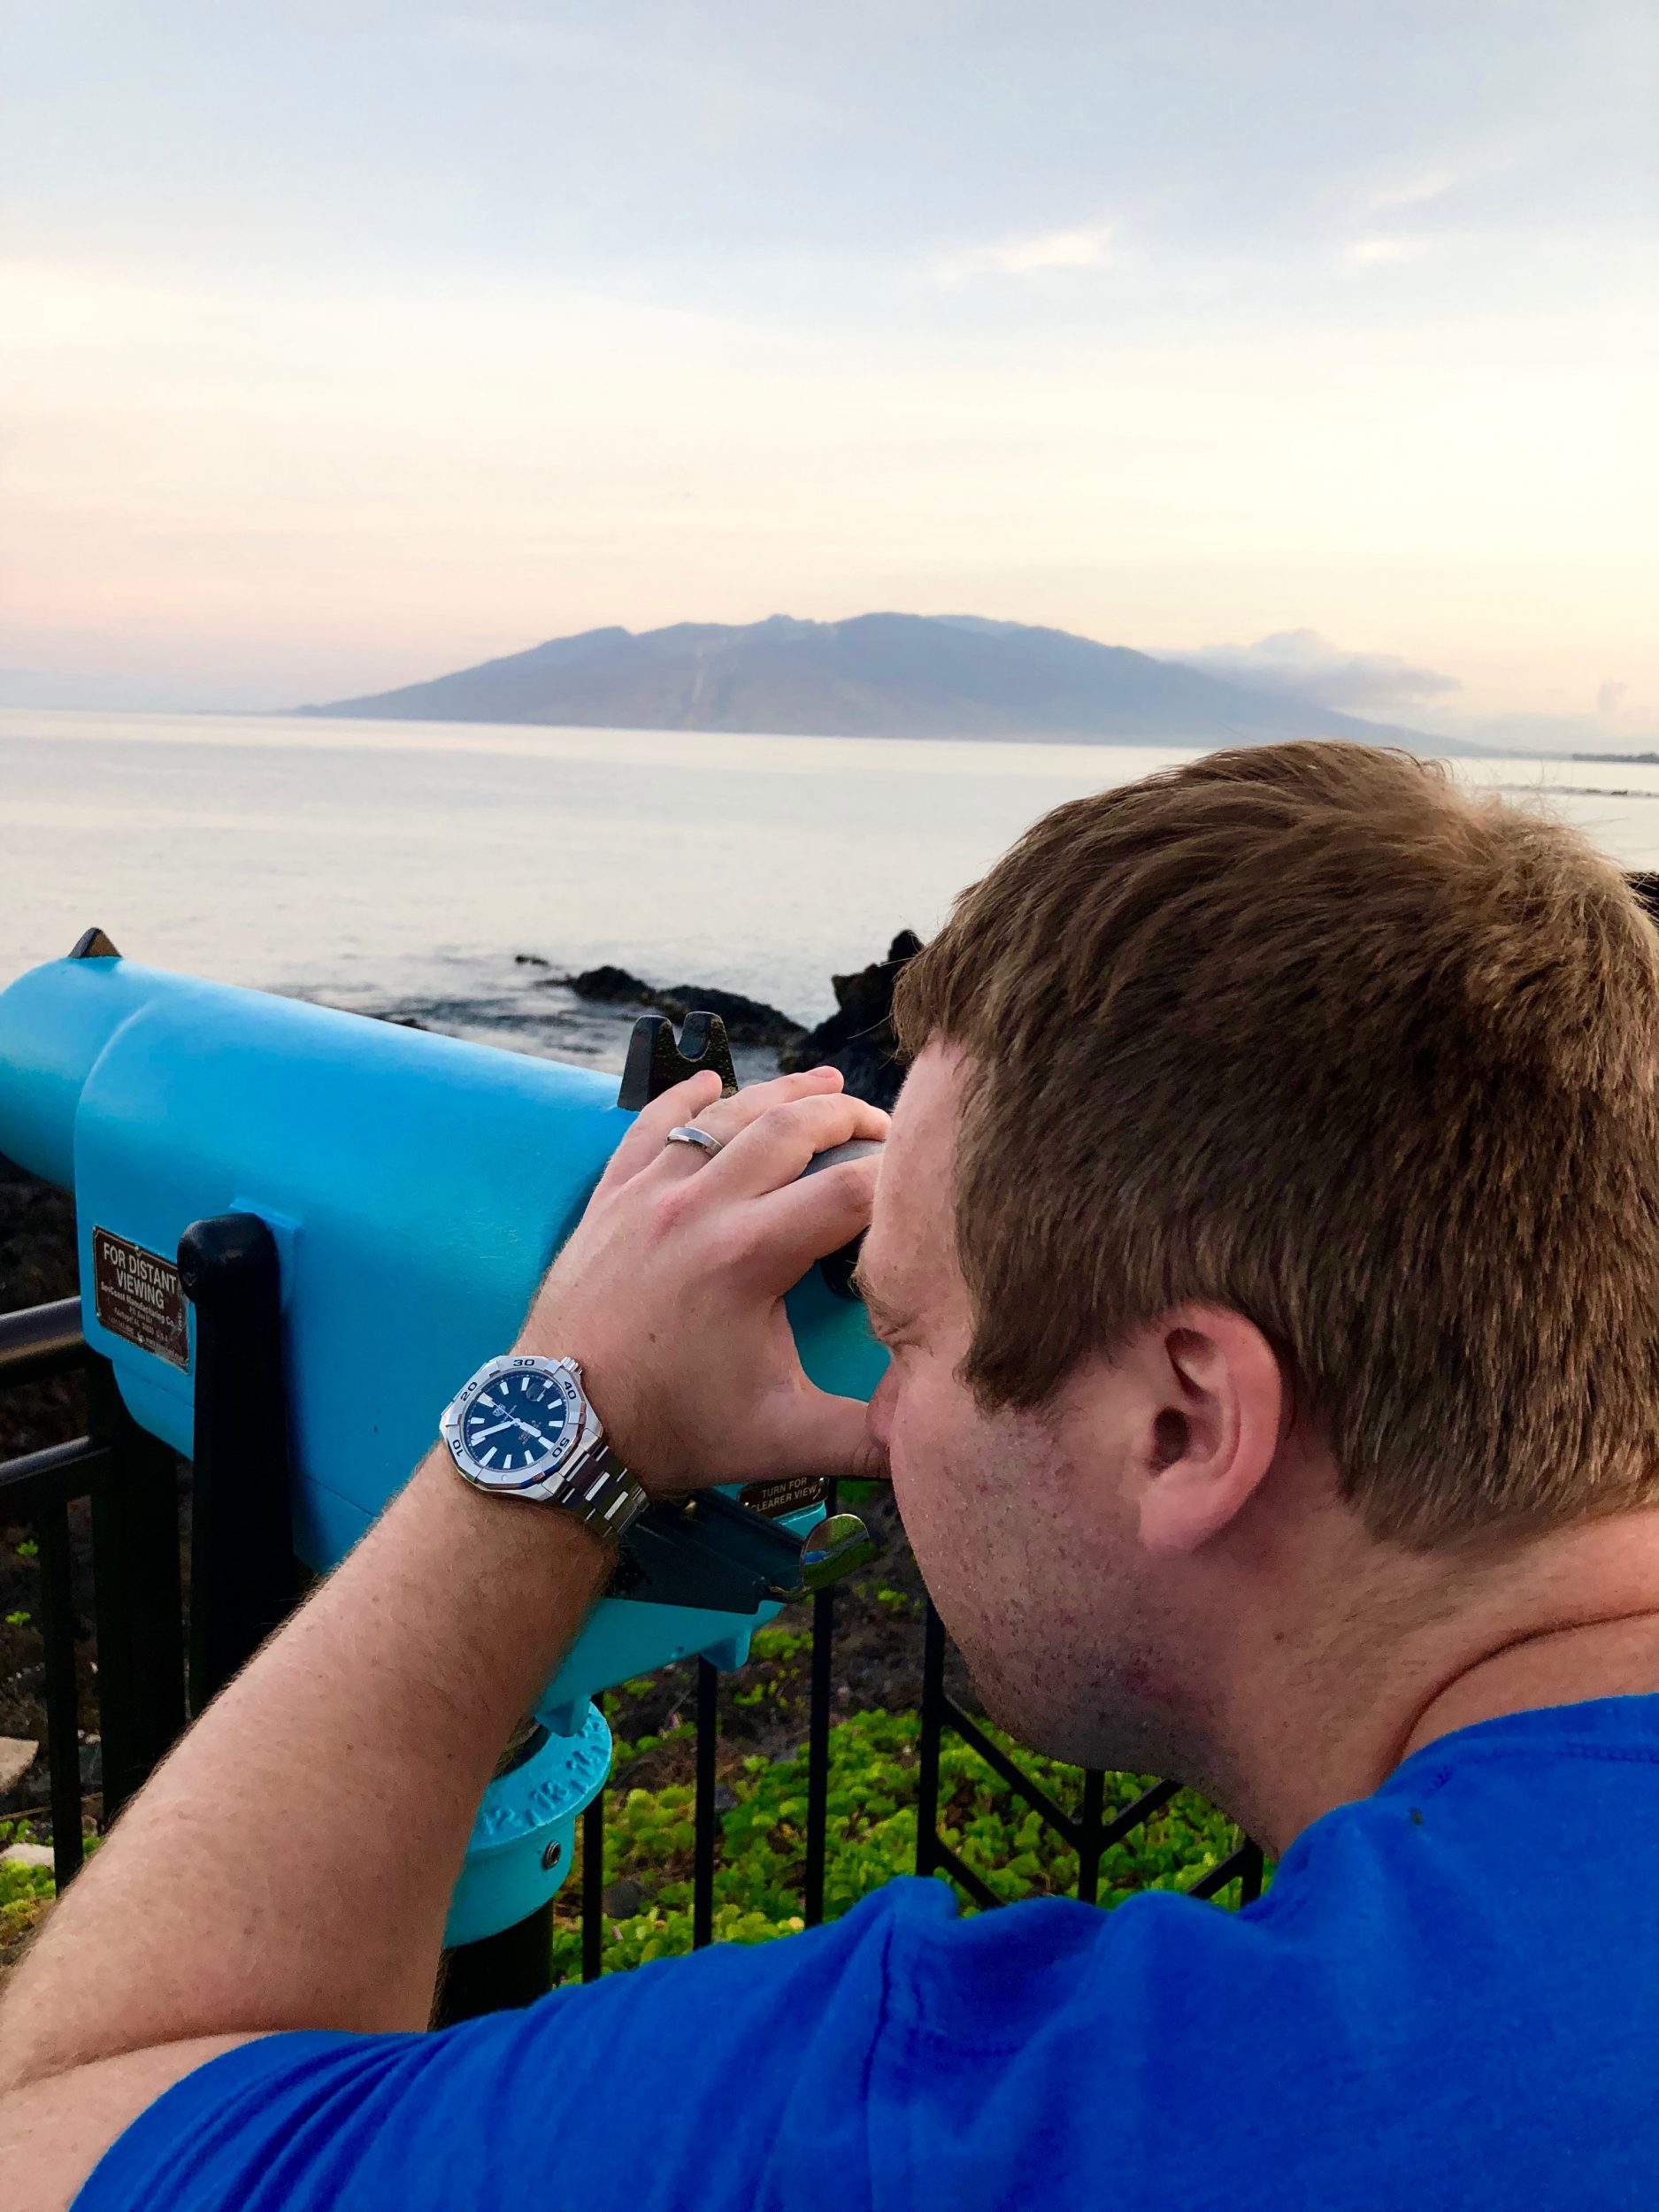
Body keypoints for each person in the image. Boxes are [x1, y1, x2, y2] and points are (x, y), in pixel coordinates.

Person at [4, 738, 1659, 2211]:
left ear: (1183, 1423)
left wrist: (561, 1418)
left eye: (907, 1330)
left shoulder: (984, 2127)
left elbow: (66, 2128)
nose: (877, 1413)